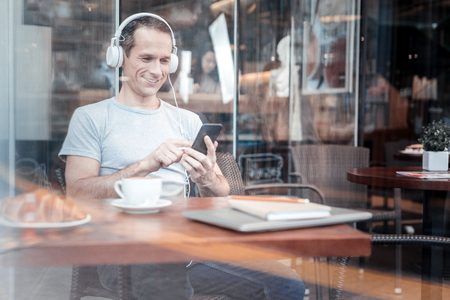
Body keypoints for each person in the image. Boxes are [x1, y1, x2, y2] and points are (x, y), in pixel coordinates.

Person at [59, 13, 305, 300]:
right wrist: (146, 165)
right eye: (146, 58)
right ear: (120, 57)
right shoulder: (91, 118)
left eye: (165, 61)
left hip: (189, 249)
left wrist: (208, 178)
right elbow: (77, 192)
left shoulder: (187, 121)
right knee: (167, 283)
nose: (157, 70)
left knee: (287, 282)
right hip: (124, 252)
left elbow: (222, 194)